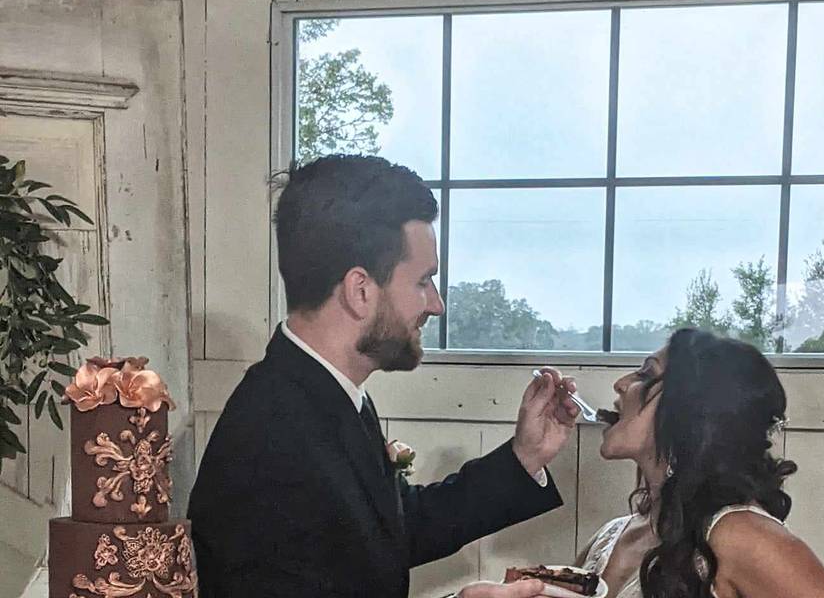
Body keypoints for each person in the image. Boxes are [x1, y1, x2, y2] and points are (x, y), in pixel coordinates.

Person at [188, 155, 579, 598]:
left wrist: (525, 456)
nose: (436, 305)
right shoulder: (271, 436)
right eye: (422, 282)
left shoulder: (322, 394)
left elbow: (385, 532)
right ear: (360, 290)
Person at [576, 328, 824, 598]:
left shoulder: (739, 534)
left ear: (693, 410)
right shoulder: (610, 537)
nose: (621, 383)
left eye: (646, 374)